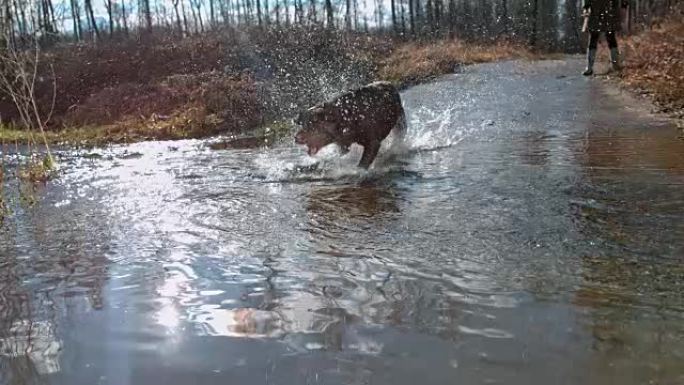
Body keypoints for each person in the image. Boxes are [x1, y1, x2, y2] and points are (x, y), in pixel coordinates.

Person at [582, 0, 629, 76]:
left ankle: (615, 65)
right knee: (594, 37)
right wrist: (586, 6)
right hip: (596, 9)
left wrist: (624, 5)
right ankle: (590, 67)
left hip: (610, 8)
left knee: (610, 36)